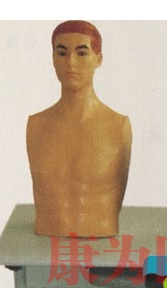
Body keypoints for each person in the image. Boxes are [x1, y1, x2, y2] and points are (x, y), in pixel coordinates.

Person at [27, 20, 132, 237]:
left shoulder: (118, 126)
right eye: (62, 53)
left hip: (101, 237)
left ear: (98, 59)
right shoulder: (36, 125)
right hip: (47, 236)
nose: (71, 62)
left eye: (82, 53)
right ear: (53, 58)